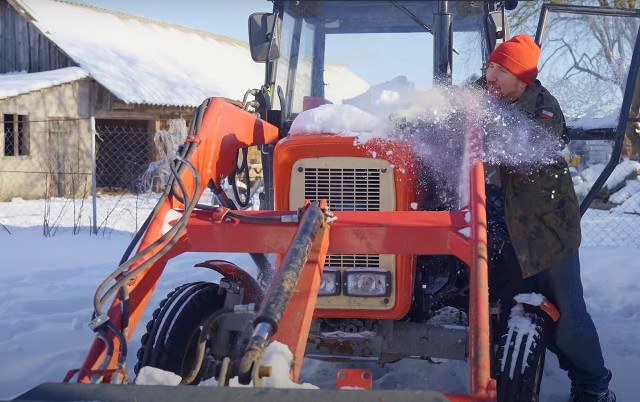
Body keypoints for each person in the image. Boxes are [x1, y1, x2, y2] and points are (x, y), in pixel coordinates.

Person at [482, 34, 615, 402]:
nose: (490, 75)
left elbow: (525, 147)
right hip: (506, 223)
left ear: (522, 77)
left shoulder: (543, 108)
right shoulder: (488, 94)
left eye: (500, 69)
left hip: (547, 231)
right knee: (508, 302)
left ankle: (593, 385)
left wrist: (480, 140)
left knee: (568, 318)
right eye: (489, 66)